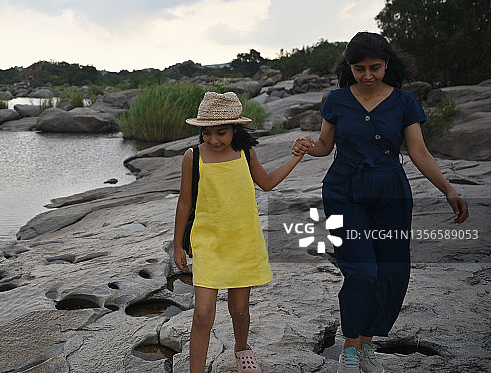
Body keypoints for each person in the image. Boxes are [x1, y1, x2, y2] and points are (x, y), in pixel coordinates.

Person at [302, 31, 469, 373]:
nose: (366, 75)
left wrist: (448, 189)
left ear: (387, 64)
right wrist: (307, 145)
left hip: (390, 193)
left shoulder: (404, 102)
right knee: (362, 271)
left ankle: (367, 346)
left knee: (390, 273)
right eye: (359, 68)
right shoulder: (336, 100)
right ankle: (350, 348)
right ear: (348, 67)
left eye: (374, 67)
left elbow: (418, 151)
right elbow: (324, 145)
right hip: (343, 191)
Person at [173, 91, 310, 373]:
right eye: (207, 133)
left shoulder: (246, 153)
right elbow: (185, 202)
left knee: (239, 310)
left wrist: (296, 157)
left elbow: (268, 182)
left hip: (242, 242)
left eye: (221, 132)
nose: (213, 140)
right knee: (201, 315)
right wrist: (177, 246)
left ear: (235, 128)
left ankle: (241, 349)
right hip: (208, 243)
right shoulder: (193, 156)